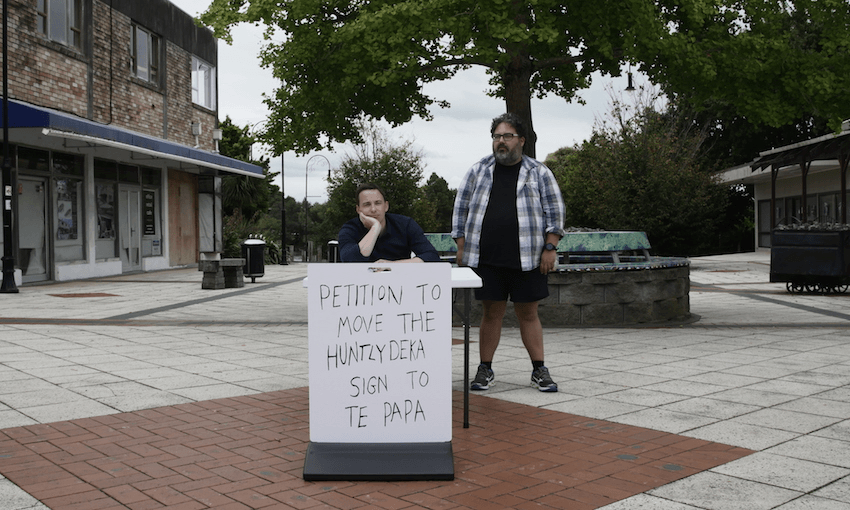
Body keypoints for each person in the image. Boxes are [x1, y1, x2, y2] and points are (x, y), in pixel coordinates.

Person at [451, 113, 566, 392]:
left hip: (527, 257)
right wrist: (462, 247)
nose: (501, 142)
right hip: (487, 258)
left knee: (528, 314)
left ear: (521, 140)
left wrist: (550, 248)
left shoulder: (539, 172)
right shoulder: (478, 170)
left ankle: (539, 370)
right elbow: (460, 208)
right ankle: (485, 369)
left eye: (507, 136)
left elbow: (555, 212)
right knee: (491, 313)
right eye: (497, 136)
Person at [338, 183, 441, 263]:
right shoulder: (349, 229)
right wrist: (375, 228)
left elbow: (431, 256)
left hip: (400, 282)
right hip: (362, 285)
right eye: (367, 204)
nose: (373, 209)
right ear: (358, 209)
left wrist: (392, 265)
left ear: (386, 206)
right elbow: (350, 261)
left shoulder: (405, 224)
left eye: (378, 203)